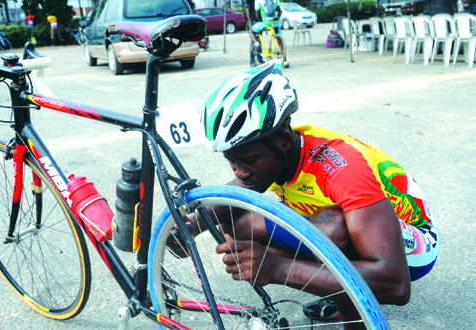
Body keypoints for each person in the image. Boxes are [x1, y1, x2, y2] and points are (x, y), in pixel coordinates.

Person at [173, 61, 440, 329]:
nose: (240, 172)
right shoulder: (279, 157)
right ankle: (334, 287)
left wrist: (276, 268)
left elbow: (395, 284)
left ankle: (352, 315)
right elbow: (236, 193)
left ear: (284, 140)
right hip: (352, 223)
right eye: (232, 162)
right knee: (238, 218)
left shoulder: (343, 168)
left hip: (414, 242)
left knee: (332, 228)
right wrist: (193, 225)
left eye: (249, 160)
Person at [245, 0, 263, 67]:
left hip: (259, 21)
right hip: (252, 22)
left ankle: (260, 60)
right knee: (254, 42)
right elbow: (247, 11)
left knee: (259, 41)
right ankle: (252, 61)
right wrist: (250, 23)